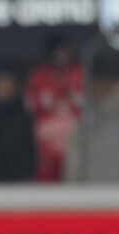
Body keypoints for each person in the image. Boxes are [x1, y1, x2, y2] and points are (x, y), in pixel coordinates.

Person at [25, 35, 84, 182]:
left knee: (74, 175)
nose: (62, 56)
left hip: (72, 136)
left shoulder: (78, 73)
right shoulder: (39, 76)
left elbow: (84, 104)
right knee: (47, 178)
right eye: (59, 52)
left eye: (65, 51)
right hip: (47, 138)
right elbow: (30, 105)